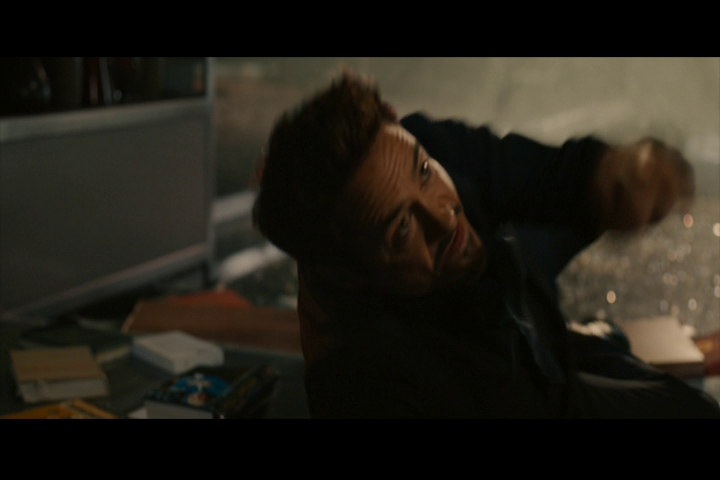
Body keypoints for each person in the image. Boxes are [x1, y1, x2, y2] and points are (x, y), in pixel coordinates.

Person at [252, 71, 720, 418]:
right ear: (345, 275)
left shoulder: (421, 146)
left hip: (535, 344)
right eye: (402, 229)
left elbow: (539, 175)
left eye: (424, 172)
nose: (443, 216)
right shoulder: (366, 385)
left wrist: (614, 173)